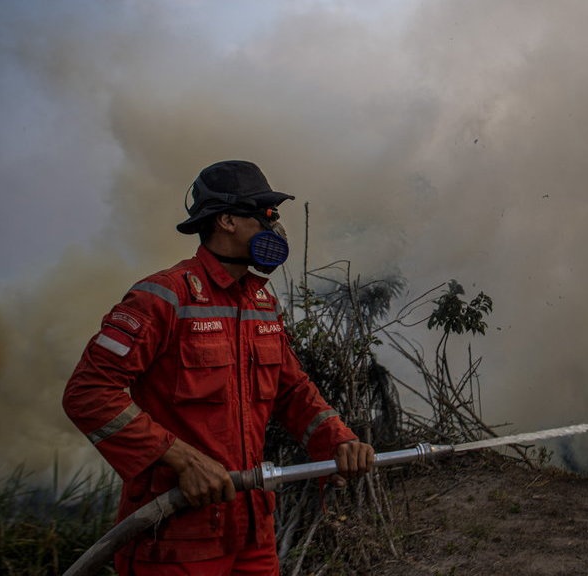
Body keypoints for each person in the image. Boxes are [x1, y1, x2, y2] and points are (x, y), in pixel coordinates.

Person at [63, 160, 375, 575]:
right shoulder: (163, 298)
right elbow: (88, 394)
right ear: (226, 220)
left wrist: (337, 441)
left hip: (252, 530)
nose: (274, 226)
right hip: (175, 534)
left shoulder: (262, 304)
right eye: (265, 214)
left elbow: (291, 390)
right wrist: (183, 460)